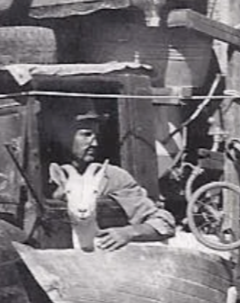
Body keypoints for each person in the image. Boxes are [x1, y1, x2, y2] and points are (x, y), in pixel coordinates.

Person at [51, 104, 175, 250]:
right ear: (64, 136)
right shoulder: (45, 174)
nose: (95, 143)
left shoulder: (112, 177)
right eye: (86, 135)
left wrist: (128, 233)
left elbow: (163, 223)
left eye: (97, 136)